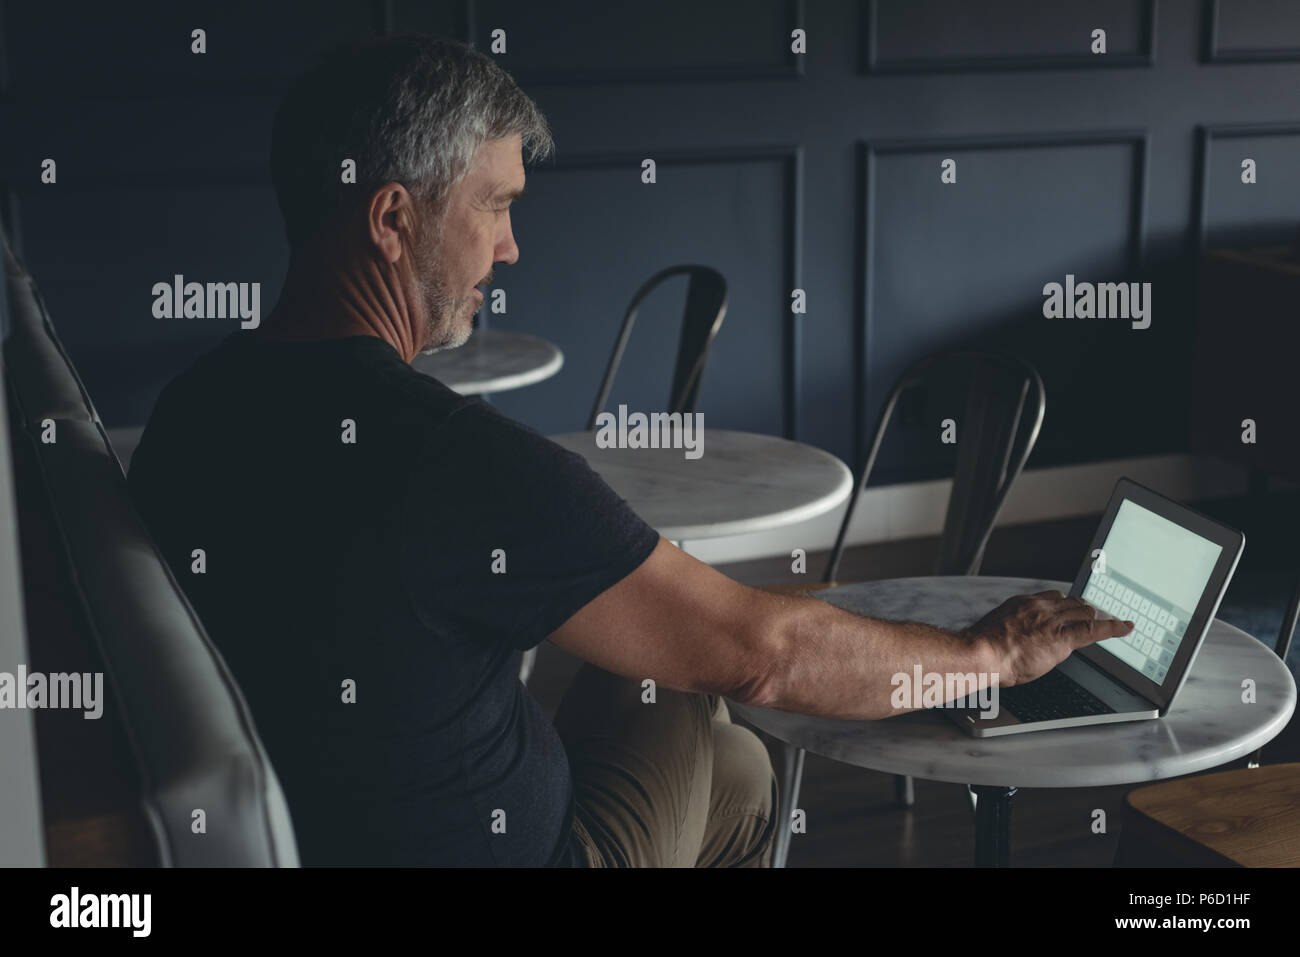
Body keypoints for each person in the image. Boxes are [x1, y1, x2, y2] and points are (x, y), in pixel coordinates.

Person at [128, 34, 1134, 868]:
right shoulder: (450, 463)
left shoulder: (190, 410)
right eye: (497, 204)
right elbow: (767, 659)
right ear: (392, 219)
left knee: (739, 784)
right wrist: (988, 657)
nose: (511, 246)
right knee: (702, 683)